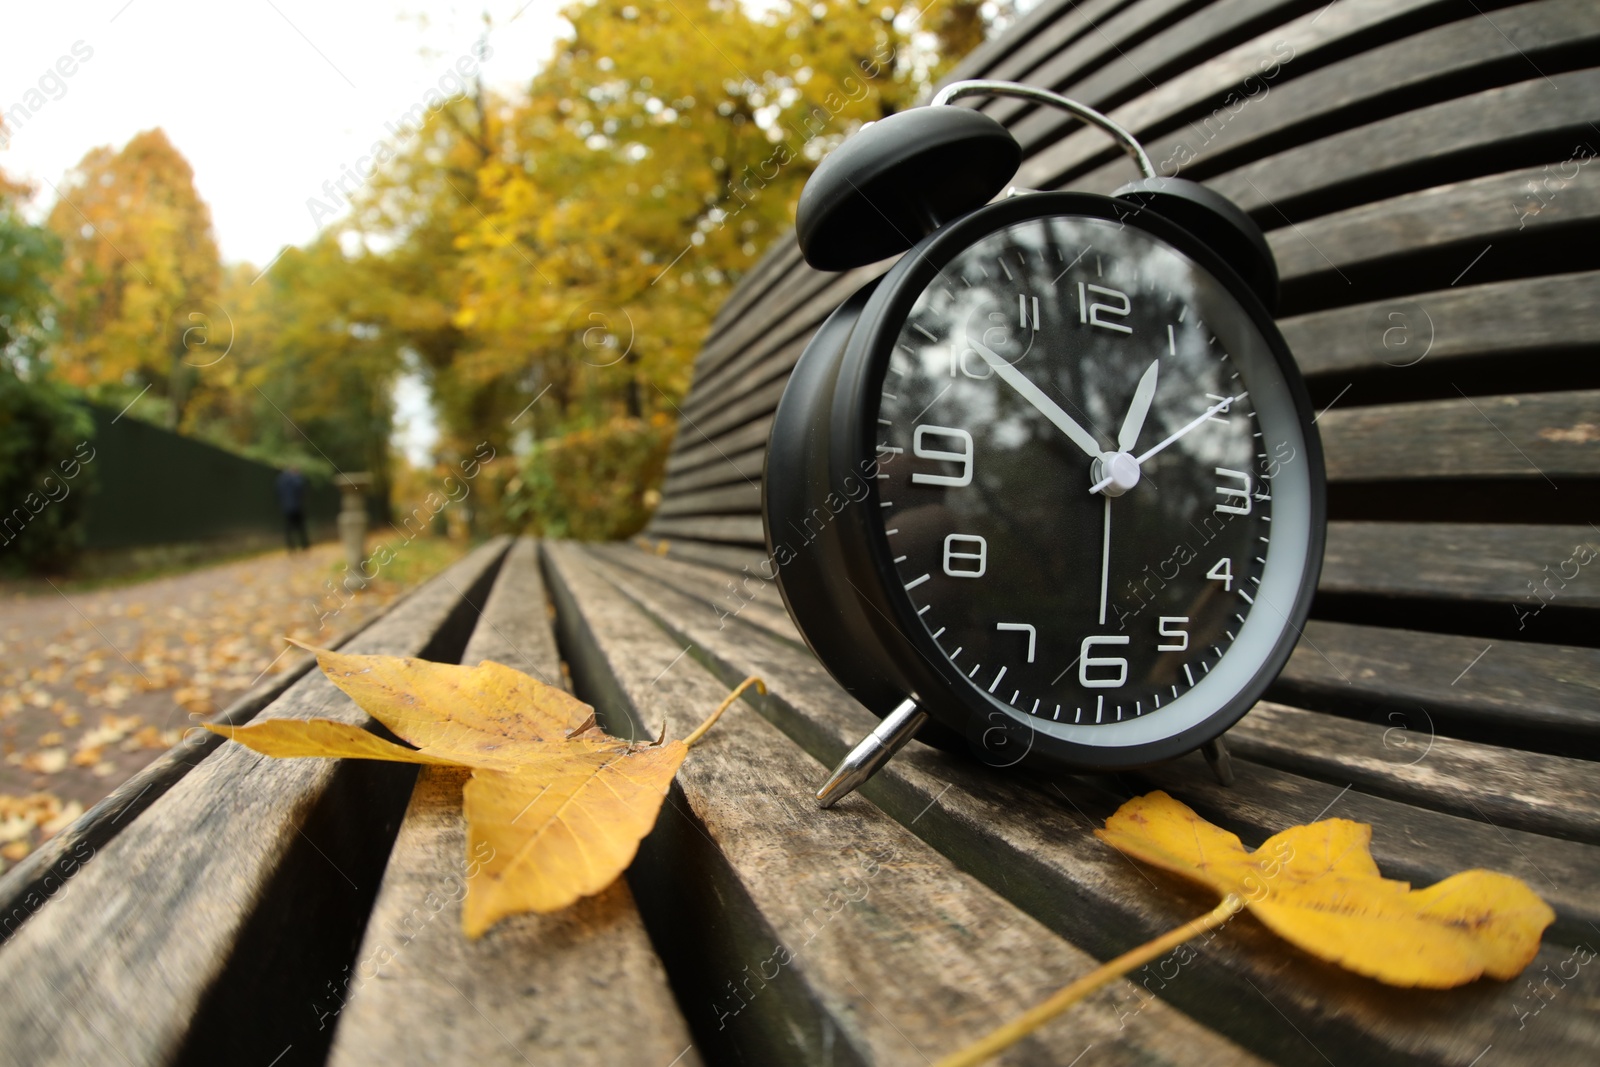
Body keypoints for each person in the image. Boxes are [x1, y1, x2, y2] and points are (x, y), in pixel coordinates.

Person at [276, 466, 310, 551]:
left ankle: (291, 546)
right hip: (297, 506)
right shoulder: (296, 479)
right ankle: (304, 545)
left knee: (289, 528)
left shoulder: (281, 479)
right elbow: (300, 488)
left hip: (286, 507)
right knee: (301, 527)